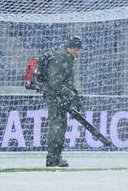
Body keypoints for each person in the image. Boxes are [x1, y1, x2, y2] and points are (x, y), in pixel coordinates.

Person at [43, 36, 83, 167]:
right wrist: (70, 94)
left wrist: (74, 94)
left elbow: (65, 81)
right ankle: (53, 158)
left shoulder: (66, 58)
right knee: (57, 127)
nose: (78, 53)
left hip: (60, 97)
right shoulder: (60, 59)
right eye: (77, 50)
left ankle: (55, 157)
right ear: (70, 48)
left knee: (60, 126)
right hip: (55, 97)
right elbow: (54, 83)